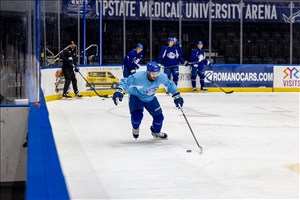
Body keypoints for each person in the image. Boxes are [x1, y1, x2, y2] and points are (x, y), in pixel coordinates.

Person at [112, 61, 184, 140]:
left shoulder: (161, 77)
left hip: (150, 97)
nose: (155, 76)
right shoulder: (138, 77)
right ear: (148, 72)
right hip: (136, 97)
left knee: (159, 118)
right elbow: (125, 82)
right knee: (136, 117)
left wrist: (176, 95)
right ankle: (135, 128)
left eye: (157, 73)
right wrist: (119, 90)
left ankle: (156, 132)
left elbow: (170, 84)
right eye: (153, 73)